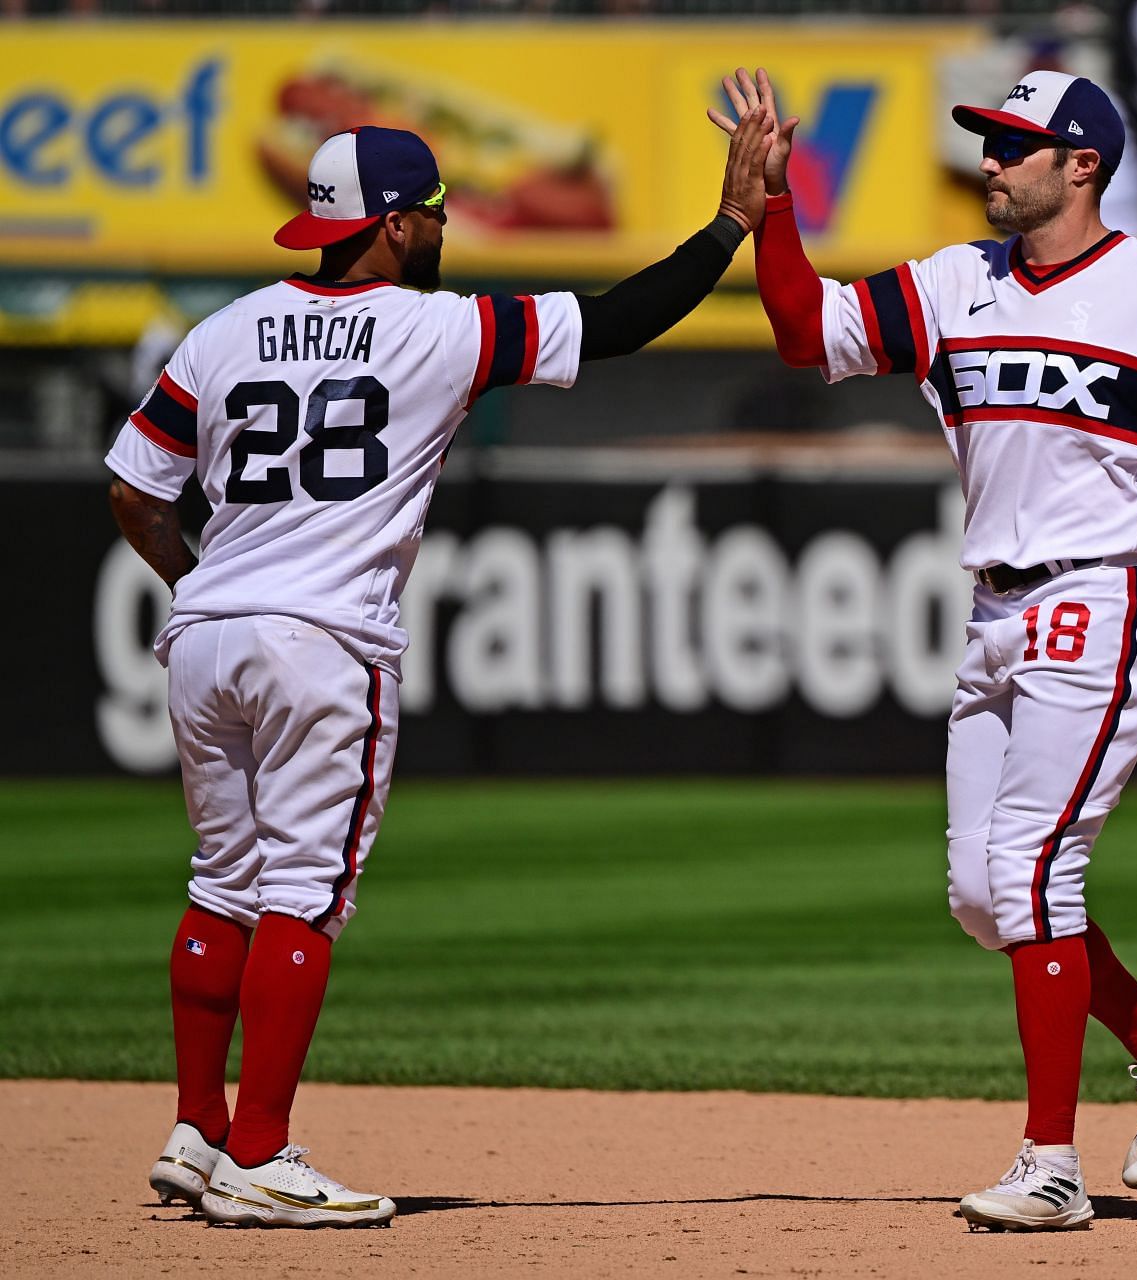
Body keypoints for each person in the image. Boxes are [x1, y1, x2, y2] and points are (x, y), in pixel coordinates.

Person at [111, 116, 774, 1228]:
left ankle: (196, 1126)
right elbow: (617, 321)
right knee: (302, 893)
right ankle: (261, 1151)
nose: (442, 226)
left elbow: (135, 490)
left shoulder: (224, 330)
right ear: (395, 225)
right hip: (323, 642)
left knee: (221, 879)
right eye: (432, 212)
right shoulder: (441, 330)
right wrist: (731, 226)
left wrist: (201, 579)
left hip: (208, 631)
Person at [710, 65, 1137, 1232]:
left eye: (1014, 144)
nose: (990, 161)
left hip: (1110, 596)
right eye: (989, 143)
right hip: (997, 605)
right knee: (980, 895)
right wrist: (775, 208)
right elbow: (805, 336)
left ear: (1082, 161)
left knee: (1037, 872)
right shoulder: (957, 281)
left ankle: (1051, 1161)